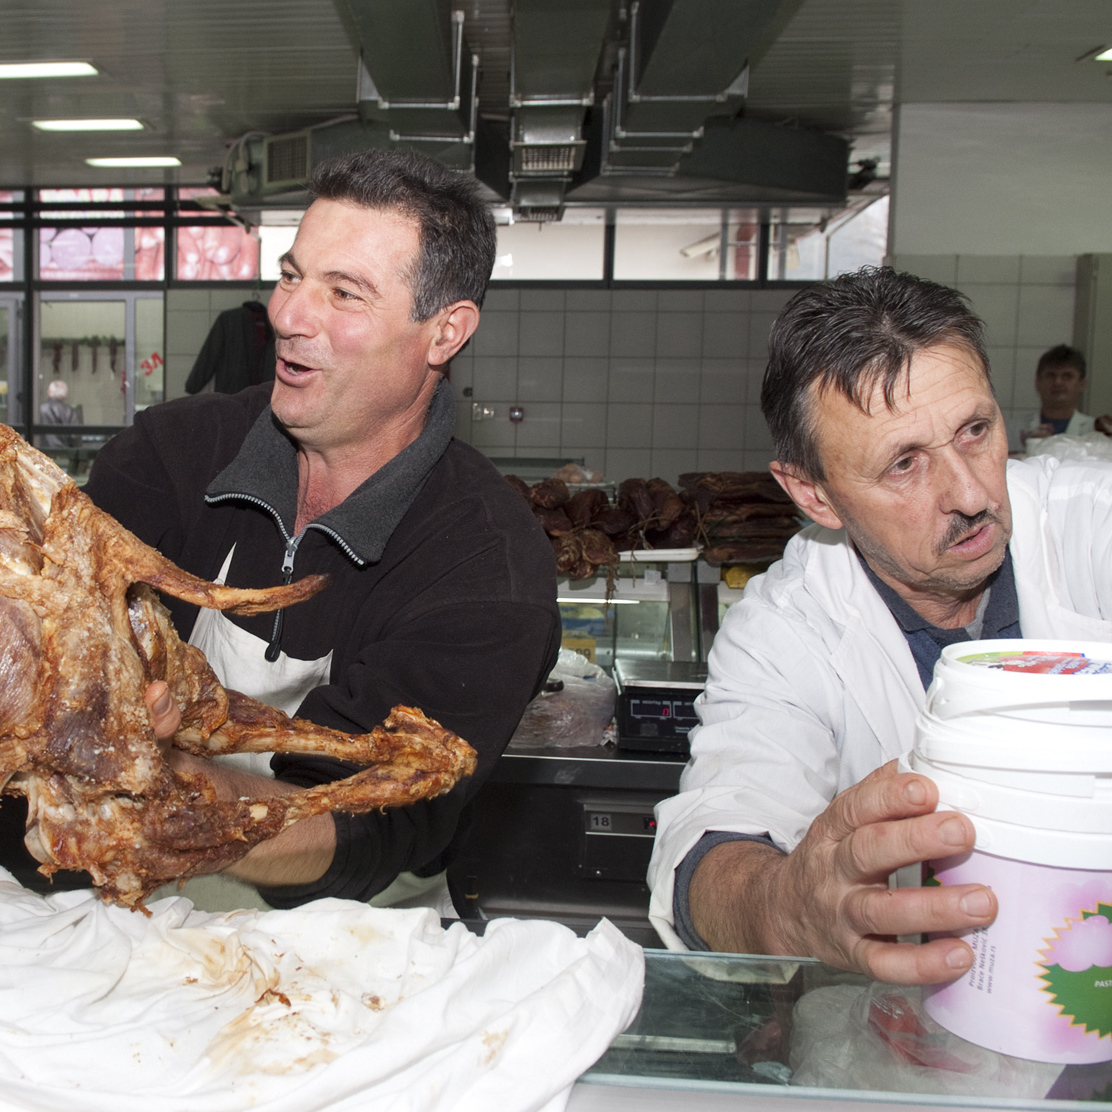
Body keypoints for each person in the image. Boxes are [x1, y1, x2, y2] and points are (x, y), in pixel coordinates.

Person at [78, 148, 562, 914]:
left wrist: (165, 773)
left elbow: (367, 825)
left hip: (347, 957)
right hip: (122, 911)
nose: (287, 316)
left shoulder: (484, 568)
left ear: (445, 333)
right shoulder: (169, 456)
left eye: (345, 293)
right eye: (291, 275)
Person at [648, 266, 1112, 985]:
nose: (970, 493)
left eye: (975, 430)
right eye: (903, 465)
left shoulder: (1090, 523)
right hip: (908, 1031)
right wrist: (785, 908)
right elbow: (711, 844)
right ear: (815, 495)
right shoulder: (786, 630)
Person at [1018, 344, 1112, 447]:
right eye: (1051, 375)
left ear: (1082, 383)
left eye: (1067, 376)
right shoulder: (1013, 430)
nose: (1058, 382)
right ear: (1037, 382)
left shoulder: (1097, 432)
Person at [39, 379, 80, 448]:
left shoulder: (40, 410)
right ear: (65, 395)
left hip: (42, 452)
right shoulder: (70, 411)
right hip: (65, 454)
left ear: (48, 393)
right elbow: (75, 437)